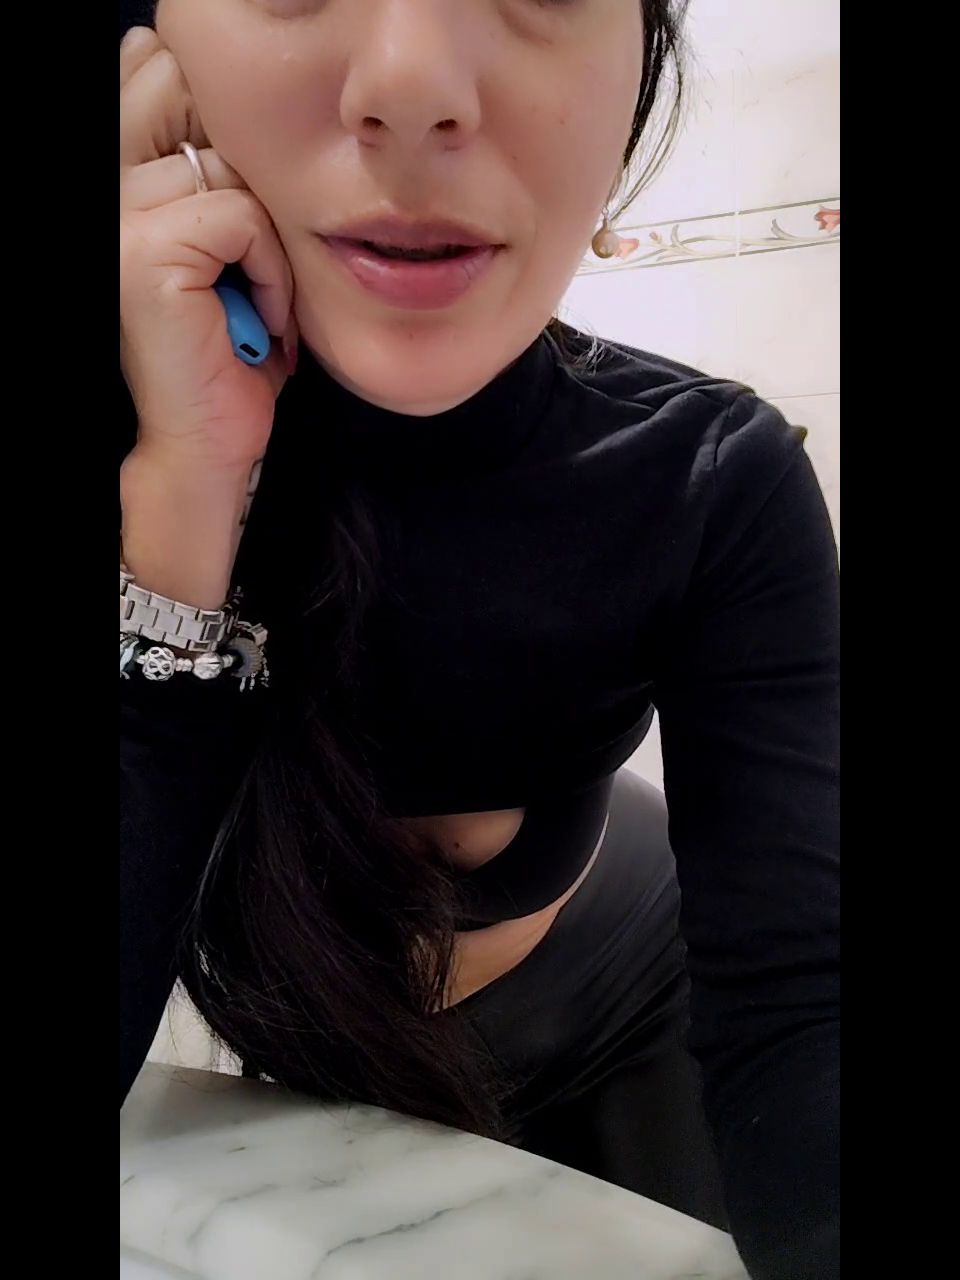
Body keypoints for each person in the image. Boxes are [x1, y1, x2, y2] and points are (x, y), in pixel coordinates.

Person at [119, 4, 840, 1278]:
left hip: (631, 981)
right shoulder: (144, 466)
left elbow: (808, 1008)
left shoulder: (710, 474)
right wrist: (184, 492)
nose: (410, 83)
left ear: (633, 80)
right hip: (311, 1041)